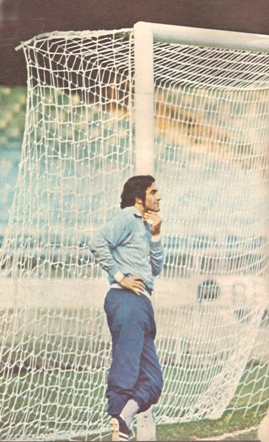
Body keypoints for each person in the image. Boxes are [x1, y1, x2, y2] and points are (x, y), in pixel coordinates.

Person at [89, 175, 164, 441]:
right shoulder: (125, 218)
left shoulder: (146, 225)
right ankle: (117, 420)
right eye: (153, 192)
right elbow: (96, 241)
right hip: (125, 300)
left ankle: (122, 421)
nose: (159, 197)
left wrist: (155, 235)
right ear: (138, 197)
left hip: (141, 304)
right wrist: (121, 276)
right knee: (127, 368)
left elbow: (156, 269)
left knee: (153, 380)